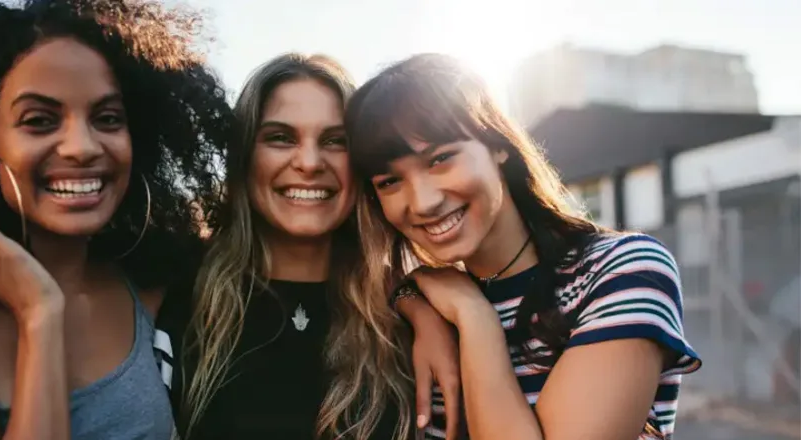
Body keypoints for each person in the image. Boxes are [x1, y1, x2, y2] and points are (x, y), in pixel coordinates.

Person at [0, 0, 232, 438]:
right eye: (39, 120)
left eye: (108, 118)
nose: (82, 147)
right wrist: (40, 315)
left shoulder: (156, 284)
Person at [345, 53, 703, 440]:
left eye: (440, 158)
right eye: (388, 182)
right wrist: (412, 298)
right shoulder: (428, 302)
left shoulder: (621, 271)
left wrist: (475, 319)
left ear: (498, 145)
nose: (422, 201)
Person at [158, 53, 461, 440]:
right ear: (245, 157)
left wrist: (426, 307)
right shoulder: (178, 297)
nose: (309, 162)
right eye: (280, 138)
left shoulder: (406, 321)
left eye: (335, 140)